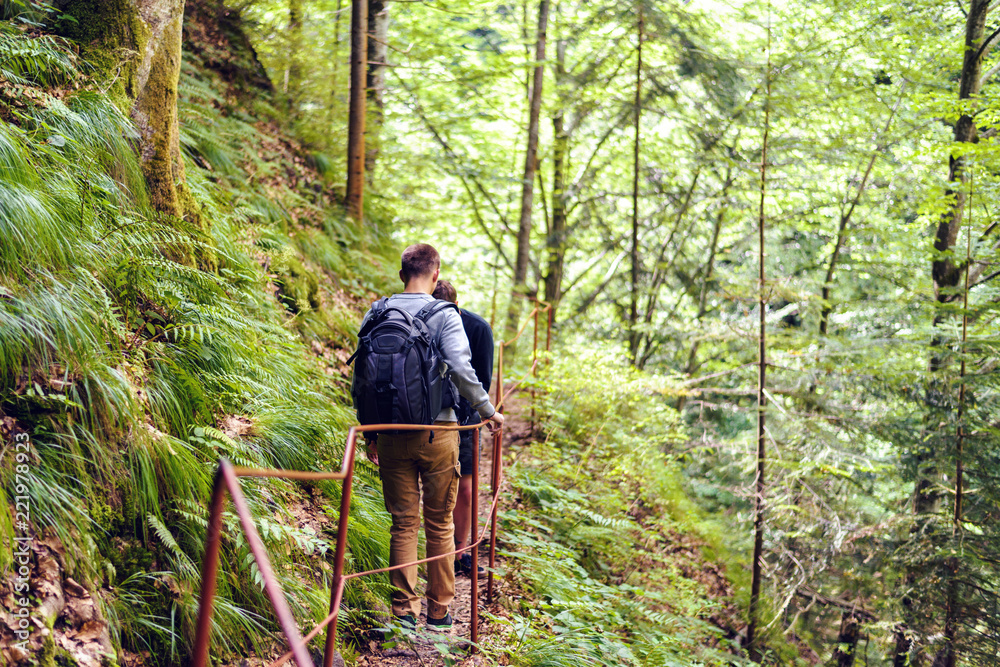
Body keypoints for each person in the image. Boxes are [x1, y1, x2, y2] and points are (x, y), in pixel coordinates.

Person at [359, 243, 504, 632]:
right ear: (435, 274)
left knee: (403, 523)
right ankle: (439, 613)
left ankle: (403, 612)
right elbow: (460, 367)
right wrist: (487, 410)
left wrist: (370, 433)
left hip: (390, 432)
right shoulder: (444, 313)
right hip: (438, 432)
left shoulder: (377, 311)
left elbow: (363, 378)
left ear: (401, 273)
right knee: (439, 523)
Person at [431, 279, 492, 577]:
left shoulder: (477, 328)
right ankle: (436, 554)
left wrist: (478, 414)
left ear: (457, 307)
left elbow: (482, 378)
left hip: (464, 419)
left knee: (465, 490)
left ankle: (460, 553)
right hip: (424, 418)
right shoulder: (416, 319)